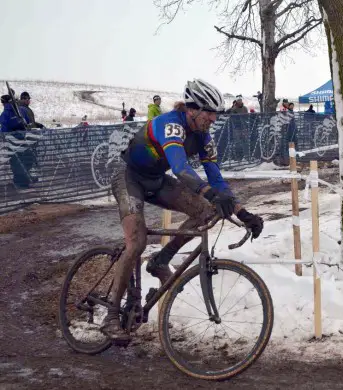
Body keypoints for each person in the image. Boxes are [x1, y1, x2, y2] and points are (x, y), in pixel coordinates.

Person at [101, 79, 264, 342]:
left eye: (215, 113)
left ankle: (161, 260)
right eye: (209, 112)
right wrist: (208, 192)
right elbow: (179, 168)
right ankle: (110, 316)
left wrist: (242, 212)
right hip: (129, 178)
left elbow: (216, 178)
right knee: (136, 242)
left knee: (206, 211)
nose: (213, 118)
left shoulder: (203, 136)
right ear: (192, 109)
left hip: (155, 180)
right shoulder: (171, 125)